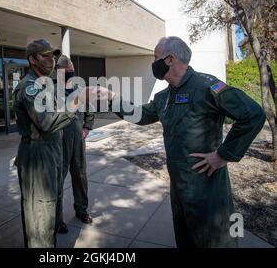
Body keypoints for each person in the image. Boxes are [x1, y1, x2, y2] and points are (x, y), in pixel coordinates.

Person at [98, 36, 266, 248]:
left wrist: (222, 155)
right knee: (186, 238)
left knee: (214, 240)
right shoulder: (163, 97)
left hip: (207, 187)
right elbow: (139, 114)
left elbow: (253, 115)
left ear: (170, 59)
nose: (153, 63)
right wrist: (111, 97)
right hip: (179, 187)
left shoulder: (208, 86)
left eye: (155, 57)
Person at [13, 39, 78, 248]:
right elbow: (47, 121)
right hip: (37, 156)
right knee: (40, 215)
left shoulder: (45, 85)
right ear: (32, 60)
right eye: (46, 56)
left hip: (51, 152)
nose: (51, 60)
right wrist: (77, 101)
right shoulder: (30, 87)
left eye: (53, 56)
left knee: (49, 210)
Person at [54, 55, 94, 235]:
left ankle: (82, 210)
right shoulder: (52, 88)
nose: (70, 71)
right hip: (59, 139)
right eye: (66, 70)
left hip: (78, 138)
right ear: (59, 72)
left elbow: (89, 107)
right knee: (58, 180)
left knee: (80, 175)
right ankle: (57, 219)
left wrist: (87, 127)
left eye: (71, 69)